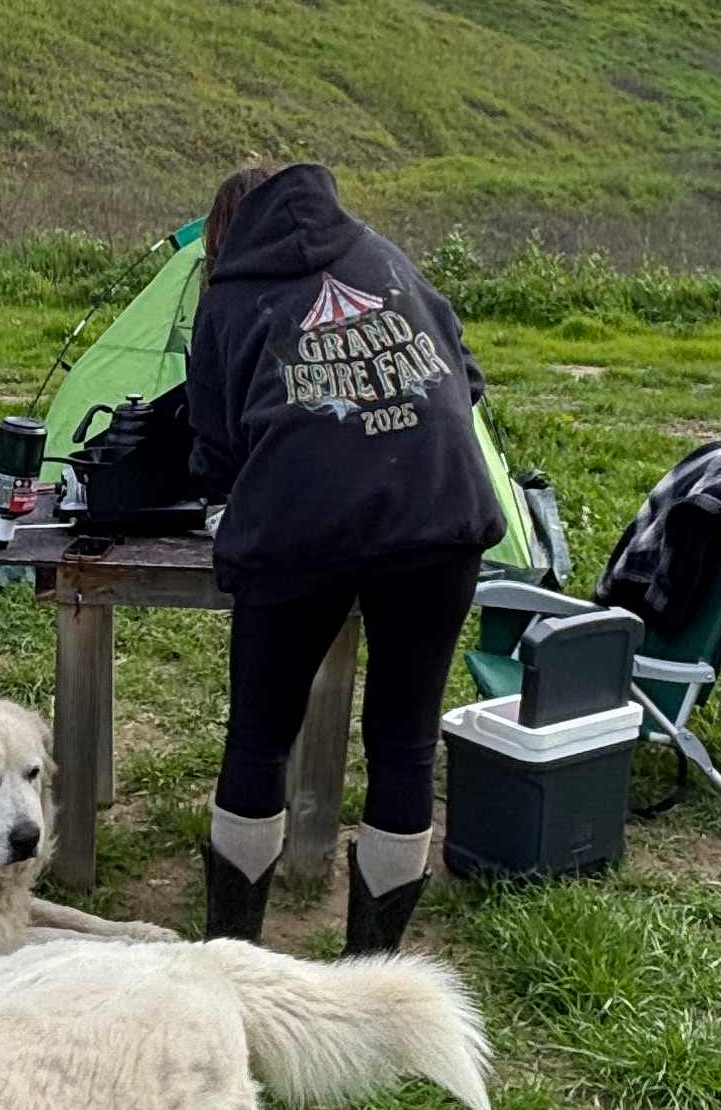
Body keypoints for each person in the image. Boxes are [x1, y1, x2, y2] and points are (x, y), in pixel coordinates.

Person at [183, 160, 502, 955]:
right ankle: (372, 974)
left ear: (226, 233)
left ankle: (234, 966)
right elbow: (466, 382)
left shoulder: (228, 297)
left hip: (300, 528)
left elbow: (217, 453)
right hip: (440, 514)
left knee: (259, 738)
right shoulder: (388, 259)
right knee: (404, 741)